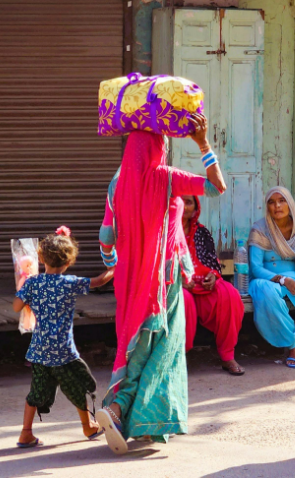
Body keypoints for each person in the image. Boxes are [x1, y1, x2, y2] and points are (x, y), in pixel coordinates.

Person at [96, 114, 226, 455]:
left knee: (134, 340)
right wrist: (203, 142)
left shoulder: (117, 180)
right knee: (161, 348)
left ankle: (121, 413)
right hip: (161, 278)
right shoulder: (167, 177)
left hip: (128, 279)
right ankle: (119, 409)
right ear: (159, 147)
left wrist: (115, 265)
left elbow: (106, 237)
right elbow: (216, 186)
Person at [13, 225, 115, 448]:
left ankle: (25, 433)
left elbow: (16, 306)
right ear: (69, 262)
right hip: (63, 353)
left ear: (41, 258)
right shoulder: (69, 283)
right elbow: (99, 281)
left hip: (39, 351)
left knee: (35, 393)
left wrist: (26, 291)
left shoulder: (32, 283)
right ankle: (88, 426)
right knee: (76, 387)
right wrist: (114, 268)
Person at [182, 195, 245, 375]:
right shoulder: (163, 232)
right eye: (179, 201)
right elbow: (157, 264)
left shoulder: (201, 231)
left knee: (230, 294)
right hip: (175, 284)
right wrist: (179, 281)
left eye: (189, 202)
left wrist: (213, 275)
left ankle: (227, 356)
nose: (184, 206)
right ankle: (179, 355)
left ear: (195, 208)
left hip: (202, 284)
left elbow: (212, 262)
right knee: (183, 300)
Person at [248, 187, 295, 369]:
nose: (277, 206)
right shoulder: (259, 229)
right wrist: (283, 280)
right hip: (267, 280)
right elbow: (256, 268)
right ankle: (292, 344)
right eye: (271, 202)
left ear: (289, 203)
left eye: (282, 200)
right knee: (267, 294)